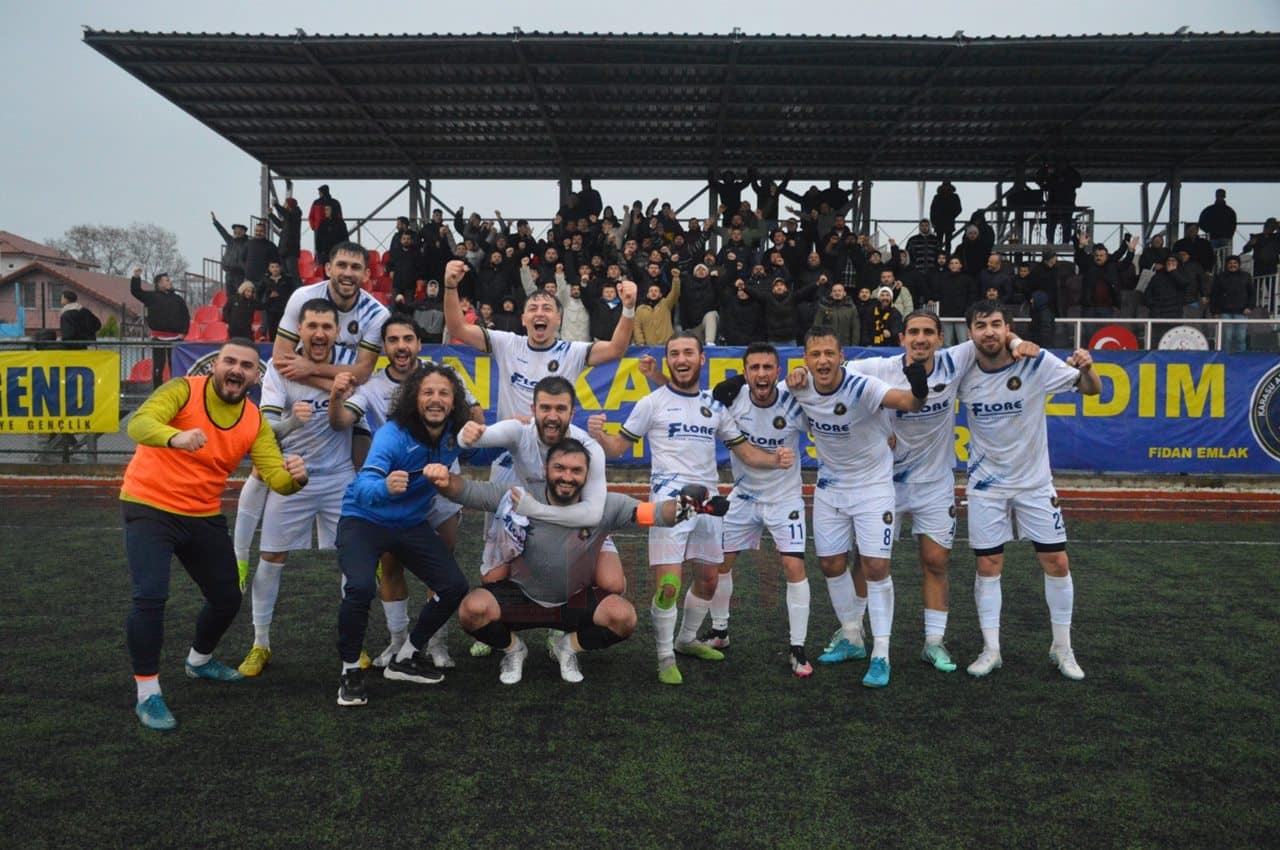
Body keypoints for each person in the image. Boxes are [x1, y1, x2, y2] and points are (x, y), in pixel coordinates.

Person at [120, 339, 308, 730]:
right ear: (214, 366)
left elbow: (275, 476)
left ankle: (199, 660)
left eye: (246, 366)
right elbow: (138, 423)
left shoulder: (253, 420)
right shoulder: (182, 390)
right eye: (229, 361)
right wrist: (175, 437)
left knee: (227, 597)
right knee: (150, 596)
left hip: (202, 514)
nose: (236, 369)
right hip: (149, 506)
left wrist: (295, 479)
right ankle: (148, 693)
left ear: (255, 378)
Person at [589, 333, 795, 685]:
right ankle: (665, 657)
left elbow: (746, 452)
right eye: (674, 353)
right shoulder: (651, 403)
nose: (681, 359)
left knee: (709, 580)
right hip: (669, 504)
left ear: (702, 359)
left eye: (688, 352)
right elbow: (617, 448)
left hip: (709, 505)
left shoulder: (715, 406)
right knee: (669, 585)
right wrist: (600, 435)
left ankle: (686, 640)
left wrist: (775, 460)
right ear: (668, 360)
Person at [433, 441, 720, 685]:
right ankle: (513, 650)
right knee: (471, 610)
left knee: (623, 617)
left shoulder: (604, 505)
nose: (567, 477)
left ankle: (566, 646)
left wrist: (688, 506)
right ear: (546, 470)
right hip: (522, 597)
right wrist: (445, 480)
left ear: (587, 475)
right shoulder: (519, 496)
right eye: (560, 468)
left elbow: (653, 513)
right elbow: (467, 491)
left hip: (573, 601)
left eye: (576, 470)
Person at [849, 311, 1037, 673]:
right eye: (913, 332)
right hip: (884, 482)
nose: (920, 338)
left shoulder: (956, 359)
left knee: (935, 561)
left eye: (928, 332)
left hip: (935, 483)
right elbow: (832, 375)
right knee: (869, 561)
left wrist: (1016, 342)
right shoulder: (878, 368)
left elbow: (990, 335)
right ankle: (853, 633)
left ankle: (933, 642)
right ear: (902, 338)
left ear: (940, 338)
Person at [956, 300, 1101, 680]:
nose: (989, 331)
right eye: (981, 325)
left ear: (1008, 328)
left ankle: (1062, 648)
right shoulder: (962, 370)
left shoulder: (1035, 363)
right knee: (988, 566)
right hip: (986, 486)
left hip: (1035, 484)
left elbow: (1092, 389)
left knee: (1057, 562)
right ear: (970, 333)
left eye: (996, 324)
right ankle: (991, 649)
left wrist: (1088, 368)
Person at [329, 315, 485, 669]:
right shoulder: (375, 393)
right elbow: (341, 423)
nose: (401, 346)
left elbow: (478, 428)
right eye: (393, 340)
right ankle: (398, 641)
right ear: (384, 347)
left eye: (408, 338)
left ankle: (434, 643)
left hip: (437, 486)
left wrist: (482, 431)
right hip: (391, 489)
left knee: (444, 568)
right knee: (389, 566)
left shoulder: (446, 375)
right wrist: (336, 398)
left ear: (418, 343)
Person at [782, 327, 929, 688]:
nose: (823, 361)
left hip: (873, 488)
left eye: (829, 354)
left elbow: (910, 403)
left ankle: (881, 653)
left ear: (842, 357)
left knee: (876, 567)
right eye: (815, 354)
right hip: (830, 487)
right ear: (805, 359)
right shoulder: (799, 387)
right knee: (830, 564)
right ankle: (852, 637)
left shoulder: (862, 386)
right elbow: (760, 390)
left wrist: (919, 385)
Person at [236, 300, 356, 678]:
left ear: (337, 331)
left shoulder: (351, 364)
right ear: (300, 330)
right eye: (312, 326)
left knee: (354, 560)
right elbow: (266, 430)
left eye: (326, 326)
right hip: (292, 477)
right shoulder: (279, 367)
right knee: (271, 557)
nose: (319, 333)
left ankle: (353, 641)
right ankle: (260, 642)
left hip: (339, 477)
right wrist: (291, 422)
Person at [702, 344, 814, 676]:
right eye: (754, 368)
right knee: (719, 563)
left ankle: (797, 647)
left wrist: (805, 375)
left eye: (768, 368)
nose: (761, 374)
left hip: (785, 499)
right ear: (745, 372)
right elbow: (689, 402)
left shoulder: (792, 400)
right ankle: (720, 631)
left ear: (778, 372)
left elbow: (827, 414)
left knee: (794, 566)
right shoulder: (732, 398)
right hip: (743, 496)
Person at [130, 268, 190, 389]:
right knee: (158, 366)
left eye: (169, 280)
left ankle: (177, 390)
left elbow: (186, 316)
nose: (169, 282)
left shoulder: (177, 299)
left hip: (176, 339)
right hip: (158, 338)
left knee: (175, 366)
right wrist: (136, 277)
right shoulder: (152, 297)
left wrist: (184, 332)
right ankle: (157, 390)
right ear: (159, 283)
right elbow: (136, 291)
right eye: (166, 280)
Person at [1210, 255, 1254, 353]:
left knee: (1241, 338)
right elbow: (1214, 295)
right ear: (1226, 265)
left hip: (1242, 312)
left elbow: (1252, 294)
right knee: (1227, 338)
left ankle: (1241, 359)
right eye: (1230, 263)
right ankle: (1226, 358)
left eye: (1235, 263)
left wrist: (1249, 307)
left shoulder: (1246, 276)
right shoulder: (1220, 277)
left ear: (1239, 264)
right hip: (1225, 312)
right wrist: (1214, 312)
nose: (1232, 265)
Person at [212, 214, 248, 296]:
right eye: (235, 230)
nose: (236, 232)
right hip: (229, 273)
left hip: (240, 275)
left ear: (243, 232)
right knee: (229, 295)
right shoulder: (230, 240)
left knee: (239, 295)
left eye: (238, 230)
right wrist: (215, 222)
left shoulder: (247, 243)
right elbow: (223, 232)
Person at [1197, 189, 1238, 254]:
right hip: (1223, 238)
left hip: (1216, 238)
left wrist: (1209, 231)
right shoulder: (1230, 211)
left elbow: (1201, 223)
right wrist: (1229, 235)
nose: (1220, 197)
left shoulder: (1208, 210)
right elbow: (1233, 225)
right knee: (1222, 257)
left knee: (1213, 257)